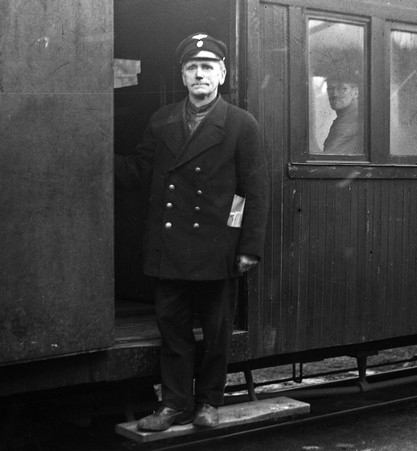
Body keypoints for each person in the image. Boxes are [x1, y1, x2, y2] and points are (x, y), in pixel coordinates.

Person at [115, 32, 269, 431]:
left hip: (217, 248)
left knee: (216, 334)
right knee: (173, 332)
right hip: (169, 247)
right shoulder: (162, 119)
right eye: (192, 68)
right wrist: (96, 158)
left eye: (207, 67)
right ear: (183, 76)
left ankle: (208, 402)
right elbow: (139, 170)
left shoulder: (241, 124)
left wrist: (247, 246)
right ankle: (174, 405)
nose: (199, 74)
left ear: (222, 74)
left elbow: (253, 191)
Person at [322, 72, 363, 155]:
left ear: (356, 92)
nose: (334, 94)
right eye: (330, 89)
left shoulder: (352, 120)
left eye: (342, 89)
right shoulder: (346, 117)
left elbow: (329, 158)